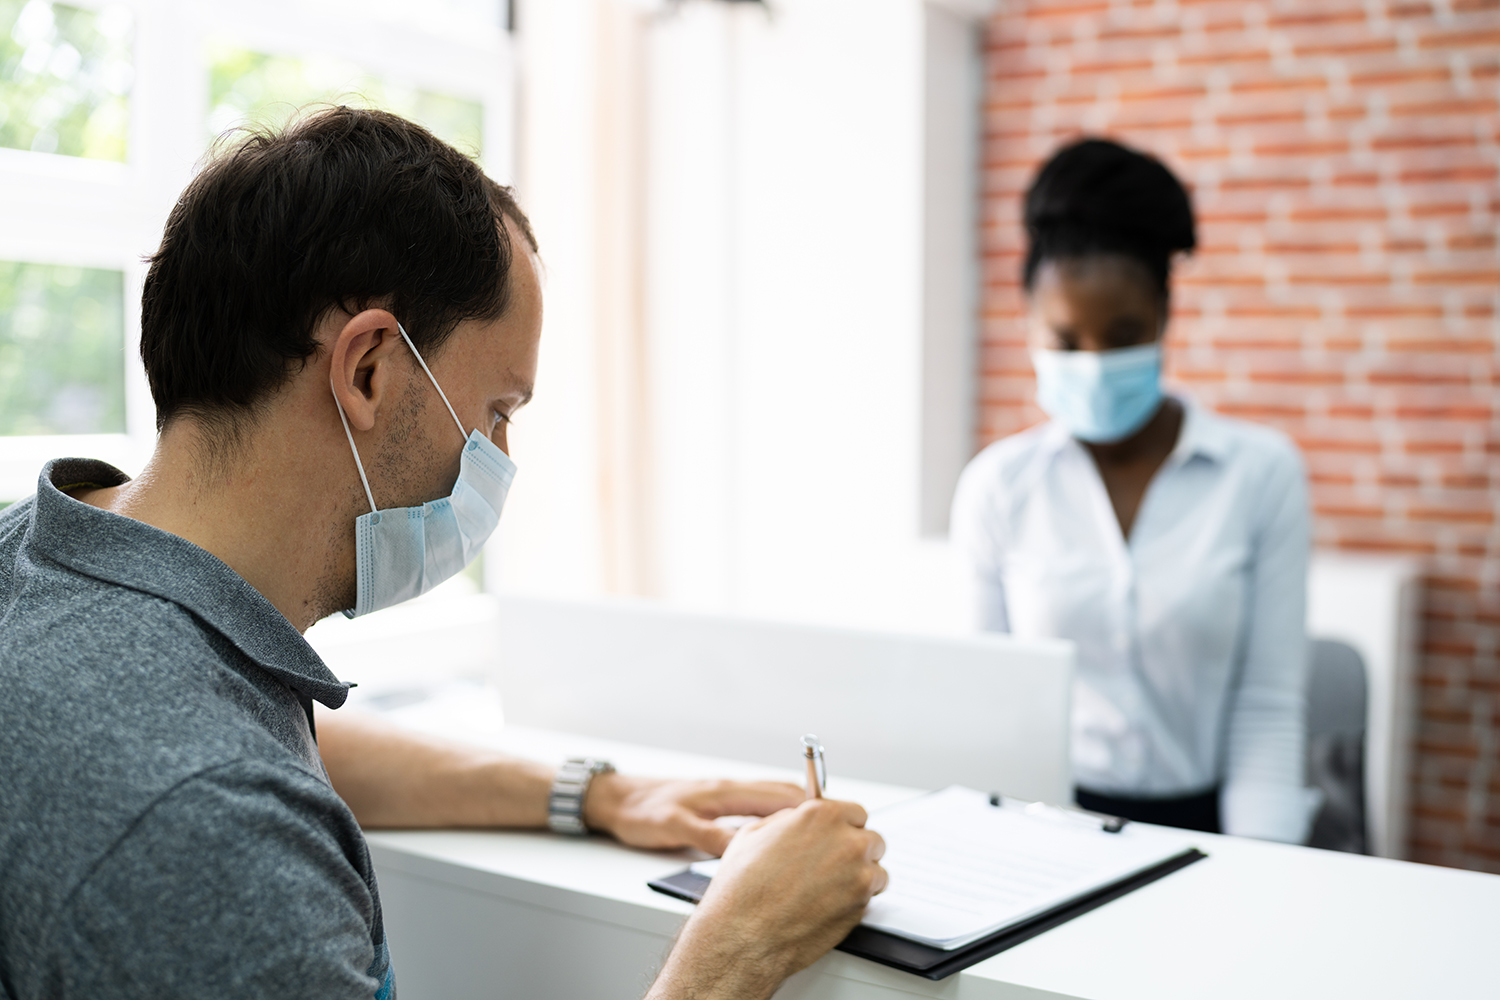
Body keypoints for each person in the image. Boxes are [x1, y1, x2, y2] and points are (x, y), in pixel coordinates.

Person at [0, 108, 886, 1000]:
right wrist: (740, 948)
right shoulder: (210, 834)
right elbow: (216, 783)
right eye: (499, 410)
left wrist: (598, 794)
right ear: (370, 368)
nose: (502, 457)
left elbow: (260, 744)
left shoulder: (47, 562)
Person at [951, 137, 1314, 843]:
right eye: (1065, 340)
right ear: (1028, 326)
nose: (1094, 364)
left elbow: (1267, 709)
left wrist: (1261, 882)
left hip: (1209, 829)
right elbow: (987, 713)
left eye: (1123, 335)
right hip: (1045, 827)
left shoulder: (1261, 475)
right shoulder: (999, 486)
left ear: (1163, 319)